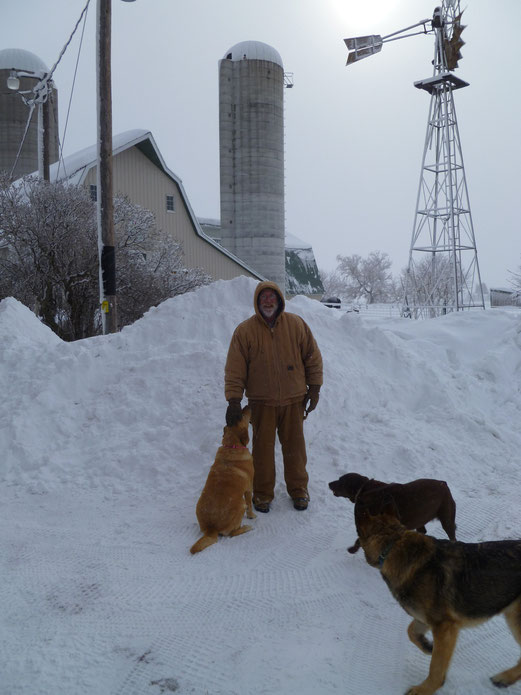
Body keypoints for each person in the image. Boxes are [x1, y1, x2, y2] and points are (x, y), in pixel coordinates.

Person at [224, 280, 323, 513]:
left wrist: (315, 387)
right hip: (261, 402)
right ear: (257, 302)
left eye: (272, 297)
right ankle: (262, 494)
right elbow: (235, 368)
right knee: (262, 452)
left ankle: (299, 491)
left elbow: (312, 356)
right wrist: (234, 400)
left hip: (293, 399)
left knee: (295, 450)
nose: (268, 302)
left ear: (279, 300)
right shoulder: (245, 331)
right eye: (263, 298)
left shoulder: (296, 325)